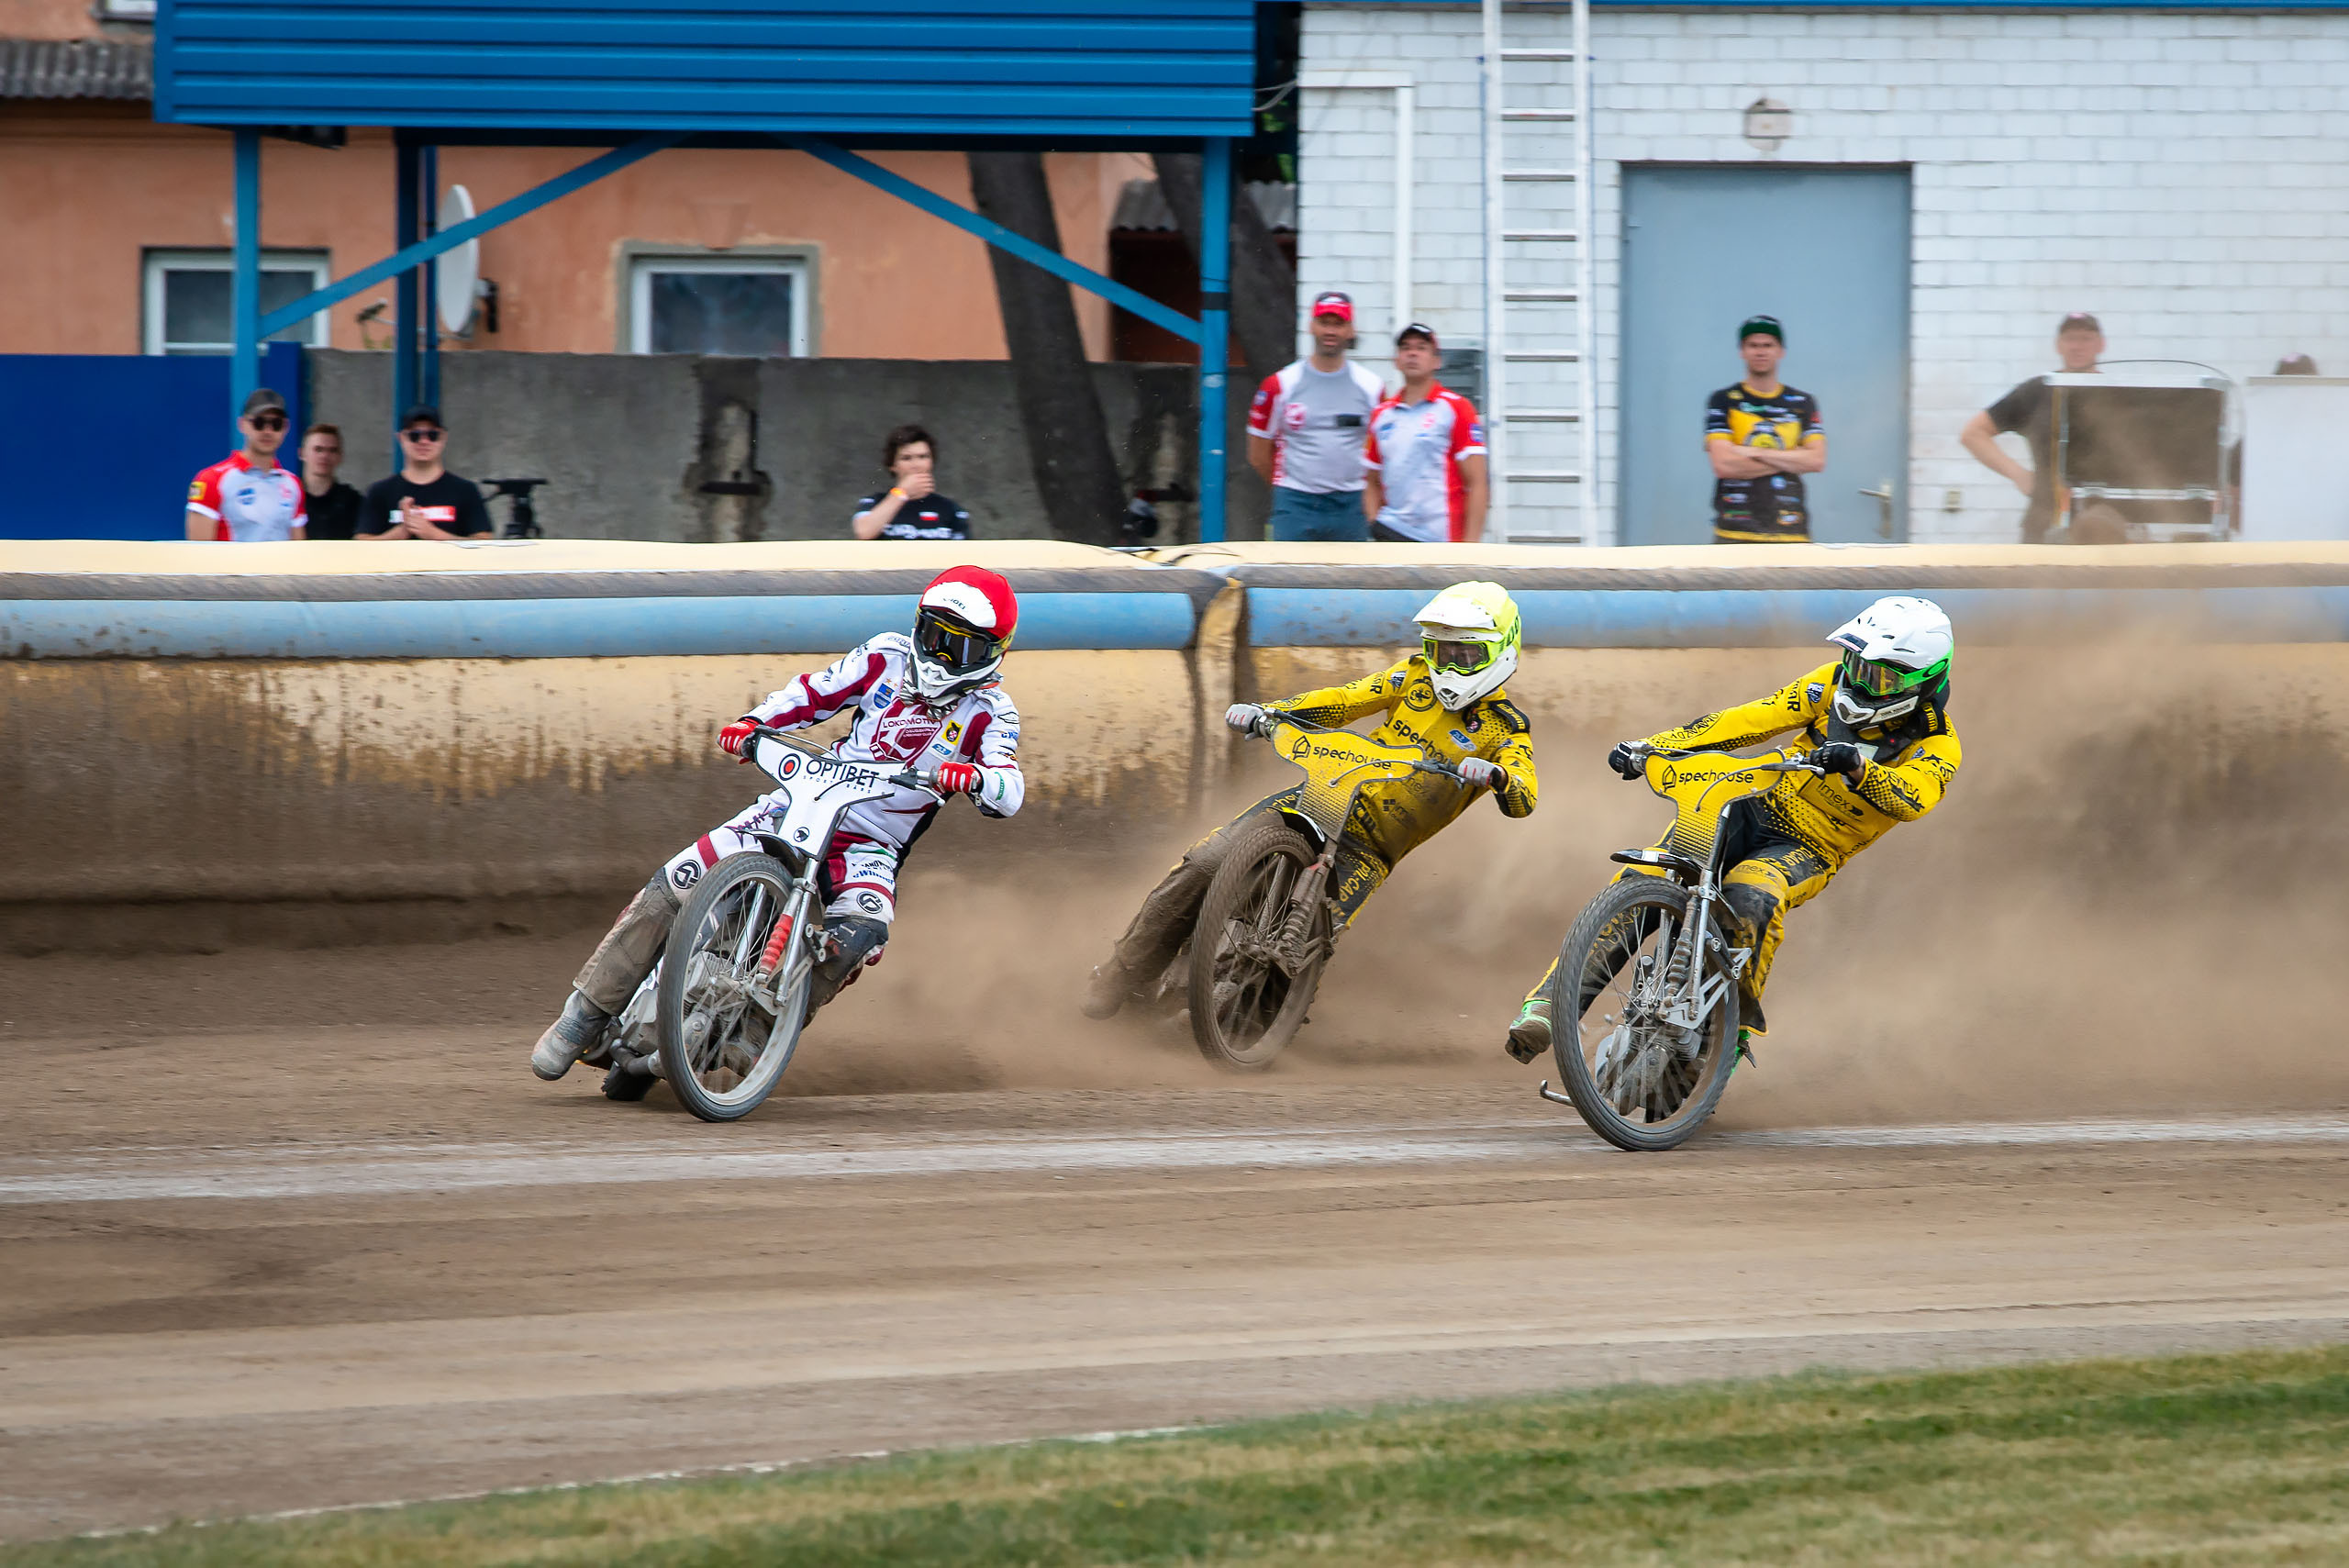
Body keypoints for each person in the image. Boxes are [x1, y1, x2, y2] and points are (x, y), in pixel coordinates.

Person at [531, 567, 1027, 1081]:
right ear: (916, 625)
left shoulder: (992, 711)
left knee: (864, 930)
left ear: (993, 653)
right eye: (934, 637)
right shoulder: (886, 655)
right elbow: (813, 693)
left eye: (958, 648)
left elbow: (1009, 790)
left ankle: (759, 1034)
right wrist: (755, 723)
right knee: (676, 880)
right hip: (799, 806)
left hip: (871, 848)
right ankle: (583, 1015)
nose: (940, 656)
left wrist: (974, 777)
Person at [1503, 595, 1961, 1066]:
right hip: (1751, 804)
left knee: (1750, 896)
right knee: (1650, 877)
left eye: (1879, 675)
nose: (1858, 680)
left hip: (1808, 848)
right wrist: (1653, 746)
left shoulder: (1939, 745)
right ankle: (1549, 1005)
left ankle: (1731, 1032)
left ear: (1922, 680)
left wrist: (1859, 770)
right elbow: (1748, 720)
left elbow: (1913, 799)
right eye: (1854, 662)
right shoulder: (1827, 684)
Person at [1083, 582, 1538, 1020]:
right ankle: (1121, 975)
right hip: (1316, 798)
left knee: (1305, 941)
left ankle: (1245, 1023)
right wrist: (1272, 711)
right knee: (1206, 864)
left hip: (1369, 850)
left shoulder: (1504, 726)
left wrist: (1498, 776)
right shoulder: (1413, 676)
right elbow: (1344, 700)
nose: (1450, 666)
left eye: (1466, 654)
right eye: (1441, 651)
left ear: (1501, 651)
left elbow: (1524, 795)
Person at [1248, 290, 1386, 542]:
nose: (1330, 331)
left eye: (1339, 324)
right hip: (1296, 503)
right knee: (1287, 579)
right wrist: (1286, 489)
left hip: (1351, 505)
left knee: (1351, 579)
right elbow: (1258, 453)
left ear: (1351, 330)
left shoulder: (1372, 387)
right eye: (1324, 323)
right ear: (1311, 326)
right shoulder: (1280, 385)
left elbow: (1382, 453)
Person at [1960, 312, 2104, 544]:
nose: (2077, 346)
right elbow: (1972, 434)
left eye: (2086, 338)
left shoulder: (2117, 394)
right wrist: (2019, 475)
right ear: (2058, 345)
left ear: (2101, 344)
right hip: (2044, 523)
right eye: (2070, 338)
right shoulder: (2037, 392)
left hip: (2105, 524)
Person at [1362, 323, 1488, 543]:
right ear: (1397, 360)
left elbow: (1477, 482)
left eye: (1421, 348)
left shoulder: (1457, 408)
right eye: (1405, 348)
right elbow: (1371, 479)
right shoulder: (1382, 415)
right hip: (1393, 533)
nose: (1412, 353)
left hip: (1442, 539)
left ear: (1436, 361)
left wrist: (1471, 547)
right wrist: (1374, 520)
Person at [1706, 316, 1826, 544]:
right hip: (1734, 533)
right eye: (1753, 345)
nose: (1761, 352)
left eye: (1768, 345)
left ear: (1781, 351)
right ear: (1742, 351)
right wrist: (1790, 458)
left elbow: (1816, 460)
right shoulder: (1723, 400)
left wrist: (1752, 452)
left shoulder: (1802, 402)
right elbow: (1723, 464)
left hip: (1791, 533)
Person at [185, 388, 306, 542]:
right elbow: (197, 553)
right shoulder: (211, 480)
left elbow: (299, 550)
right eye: (259, 423)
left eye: (276, 424)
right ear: (242, 424)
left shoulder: (292, 483)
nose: (267, 431)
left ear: (286, 428)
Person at [358, 406, 494, 540]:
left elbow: (485, 542)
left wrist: (433, 534)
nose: (424, 441)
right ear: (401, 438)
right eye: (414, 435)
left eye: (432, 435)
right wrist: (399, 533)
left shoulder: (465, 490)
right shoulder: (380, 491)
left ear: (444, 437)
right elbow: (360, 543)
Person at [852, 426, 973, 540]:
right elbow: (864, 532)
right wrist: (901, 493)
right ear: (893, 465)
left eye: (923, 457)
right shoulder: (874, 502)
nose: (916, 465)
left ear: (932, 462)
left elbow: (965, 555)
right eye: (906, 458)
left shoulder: (951, 509)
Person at [296, 423, 363, 541]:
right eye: (318, 449)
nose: (325, 456)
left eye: (332, 450)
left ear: (340, 456)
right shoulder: (289, 499)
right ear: (302, 453)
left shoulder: (353, 501)